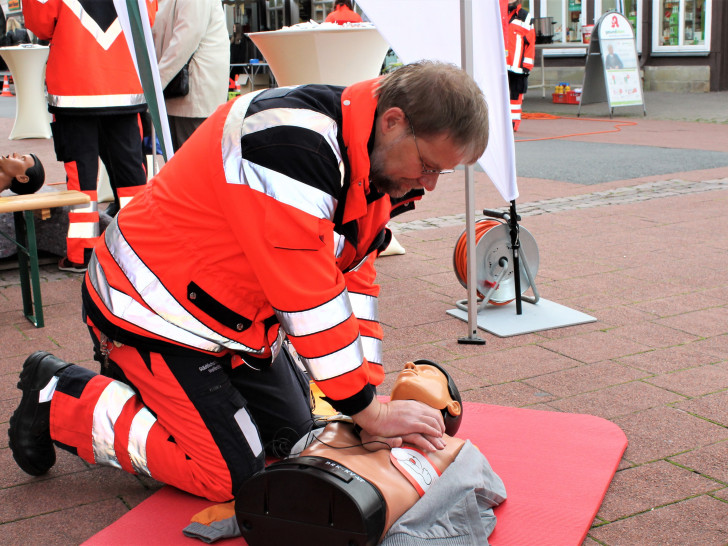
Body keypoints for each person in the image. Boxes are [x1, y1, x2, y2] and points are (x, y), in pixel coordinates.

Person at [8, 61, 489, 506]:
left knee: (297, 437)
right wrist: (369, 413)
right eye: (429, 166)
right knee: (229, 477)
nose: (429, 186)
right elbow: (312, 299)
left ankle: (162, 398)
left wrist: (365, 396)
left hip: (229, 320)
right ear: (393, 122)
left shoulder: (374, 168)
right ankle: (59, 395)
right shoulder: (292, 146)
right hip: (151, 311)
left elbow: (353, 283)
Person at [184, 360, 506, 544]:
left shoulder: (456, 448)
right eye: (411, 365)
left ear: (452, 405)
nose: (410, 364)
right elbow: (300, 448)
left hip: (361, 508)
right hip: (313, 484)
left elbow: (474, 497)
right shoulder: (349, 418)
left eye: (427, 371)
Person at [23, 0, 156, 273]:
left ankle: (83, 253)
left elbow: (39, 24)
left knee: (82, 180)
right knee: (132, 175)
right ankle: (140, 248)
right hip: (124, 88)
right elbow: (147, 19)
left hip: (75, 90)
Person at [153, 0, 230, 152]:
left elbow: (183, 42)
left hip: (193, 95)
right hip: (181, 94)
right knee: (182, 163)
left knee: (192, 164)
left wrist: (154, 84)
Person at [504, 0, 535, 132]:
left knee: (515, 97)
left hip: (517, 66)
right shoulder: (499, 14)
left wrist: (527, 65)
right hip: (501, 66)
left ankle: (513, 123)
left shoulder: (525, 17)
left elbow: (530, 43)